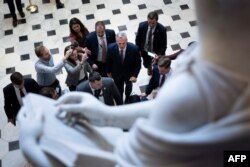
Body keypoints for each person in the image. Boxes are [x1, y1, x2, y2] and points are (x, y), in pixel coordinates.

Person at [18, 1, 250, 167]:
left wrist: (30, 145)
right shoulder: (208, 65)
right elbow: (171, 110)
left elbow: (123, 161)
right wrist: (105, 116)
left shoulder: (197, 90)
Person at [106, 32, 141, 103]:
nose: (121, 45)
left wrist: (135, 75)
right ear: (116, 41)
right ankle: (120, 101)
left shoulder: (134, 49)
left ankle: (127, 98)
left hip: (129, 74)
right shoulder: (110, 48)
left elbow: (138, 64)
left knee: (129, 87)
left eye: (123, 43)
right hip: (116, 73)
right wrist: (108, 72)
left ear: (127, 40)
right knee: (119, 89)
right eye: (119, 43)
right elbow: (108, 61)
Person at [135, 11, 167, 75]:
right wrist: (138, 50)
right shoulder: (142, 26)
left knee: (157, 66)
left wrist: (159, 55)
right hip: (145, 51)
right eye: (149, 22)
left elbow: (163, 45)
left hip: (156, 52)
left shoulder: (162, 29)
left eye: (153, 23)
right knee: (146, 64)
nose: (151, 25)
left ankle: (157, 74)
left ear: (156, 21)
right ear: (147, 20)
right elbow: (138, 39)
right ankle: (149, 68)